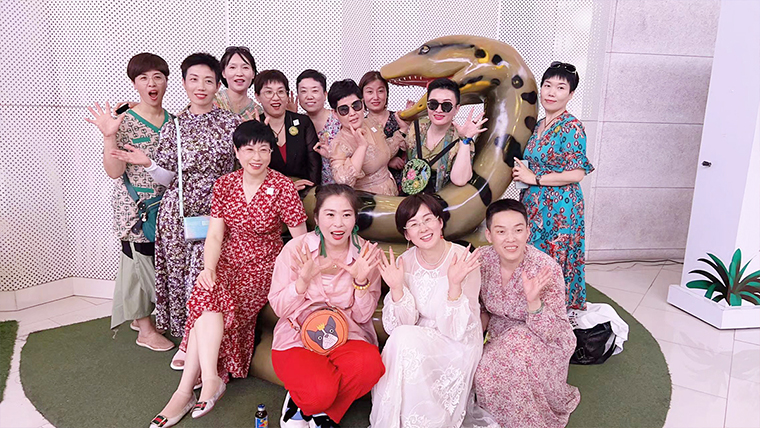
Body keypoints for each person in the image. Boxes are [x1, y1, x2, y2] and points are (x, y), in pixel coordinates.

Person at [149, 121, 307, 427]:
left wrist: (298, 278)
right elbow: (215, 236)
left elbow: (300, 240)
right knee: (206, 288)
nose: (256, 157)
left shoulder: (282, 186)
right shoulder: (225, 184)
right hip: (227, 259)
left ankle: (185, 392)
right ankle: (208, 380)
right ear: (236, 151)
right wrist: (209, 268)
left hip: (263, 265)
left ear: (271, 152)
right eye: (249, 149)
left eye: (264, 150)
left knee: (209, 300)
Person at [370, 194, 496, 428]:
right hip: (417, 336)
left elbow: (457, 329)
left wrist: (455, 286)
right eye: (414, 224)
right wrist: (396, 288)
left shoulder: (462, 259)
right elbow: (398, 326)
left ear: (440, 222)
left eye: (428, 219)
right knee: (401, 339)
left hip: (458, 341)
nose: (423, 228)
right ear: (407, 234)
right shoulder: (405, 261)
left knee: (404, 340)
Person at [152, 53, 242, 367]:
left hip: (217, 210)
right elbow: (166, 176)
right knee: (180, 276)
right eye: (194, 79)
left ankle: (203, 338)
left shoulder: (231, 123)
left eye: (208, 80)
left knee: (207, 275)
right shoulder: (173, 126)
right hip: (178, 211)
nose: (200, 87)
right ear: (184, 83)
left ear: (218, 85)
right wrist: (146, 164)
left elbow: (242, 167)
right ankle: (186, 340)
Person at [269, 184, 385, 428]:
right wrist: (302, 282)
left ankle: (321, 412)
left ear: (355, 218)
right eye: (330, 214)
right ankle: (305, 399)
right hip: (297, 338)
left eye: (346, 215)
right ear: (316, 217)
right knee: (319, 392)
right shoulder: (296, 249)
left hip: (346, 337)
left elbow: (363, 316)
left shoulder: (365, 255)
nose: (338, 224)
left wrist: (361, 281)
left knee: (371, 367)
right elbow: (279, 308)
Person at [84, 53, 174, 352]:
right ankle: (145, 329)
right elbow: (114, 171)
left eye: (157, 77)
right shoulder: (124, 120)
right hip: (135, 207)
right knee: (137, 263)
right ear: (134, 83)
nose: (152, 83)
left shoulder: (173, 122)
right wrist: (109, 136)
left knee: (158, 261)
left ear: (166, 81)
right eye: (143, 78)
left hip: (166, 206)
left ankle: (141, 316)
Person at [474, 199, 580, 427]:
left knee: (500, 366)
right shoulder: (482, 260)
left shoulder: (545, 268)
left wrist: (534, 302)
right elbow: (480, 307)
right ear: (489, 235)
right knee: (479, 367)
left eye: (518, 230)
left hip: (544, 337)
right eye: (501, 231)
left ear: (528, 232)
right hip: (499, 335)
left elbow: (554, 331)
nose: (510, 239)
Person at [512, 61, 594, 310]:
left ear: (570, 94)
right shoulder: (538, 125)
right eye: (547, 85)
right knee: (532, 255)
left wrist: (534, 179)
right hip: (534, 203)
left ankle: (556, 313)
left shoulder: (572, 126)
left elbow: (577, 173)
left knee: (554, 258)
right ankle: (533, 307)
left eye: (560, 88)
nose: (551, 92)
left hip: (561, 206)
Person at [403, 78, 487, 195]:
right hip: (410, 198)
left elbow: (460, 180)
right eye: (433, 104)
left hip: (441, 202)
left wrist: (465, 140)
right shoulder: (416, 127)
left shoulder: (462, 140)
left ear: (456, 109)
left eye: (446, 105)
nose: (438, 110)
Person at [328, 79, 403, 196]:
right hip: (368, 202)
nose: (352, 113)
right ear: (335, 114)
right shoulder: (339, 143)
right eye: (344, 110)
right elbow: (344, 182)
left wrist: (402, 132)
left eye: (356, 105)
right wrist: (361, 147)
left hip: (392, 194)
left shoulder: (371, 123)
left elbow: (384, 150)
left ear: (362, 104)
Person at [254, 69, 321, 190]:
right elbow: (253, 170)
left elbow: (314, 164)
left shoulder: (303, 122)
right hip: (268, 190)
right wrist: (286, 188)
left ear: (287, 95)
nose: (276, 97)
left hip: (304, 188)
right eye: (269, 92)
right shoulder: (255, 126)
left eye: (281, 92)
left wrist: (310, 188)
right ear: (257, 97)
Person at [359, 71, 411, 191]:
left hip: (404, 182)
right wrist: (387, 162)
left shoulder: (399, 118)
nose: (376, 97)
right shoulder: (361, 125)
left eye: (380, 91)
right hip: (373, 187)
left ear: (387, 93)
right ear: (362, 96)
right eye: (370, 92)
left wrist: (411, 117)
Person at [296, 69, 341, 185]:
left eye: (315, 91)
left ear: (325, 95)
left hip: (338, 187)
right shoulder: (297, 123)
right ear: (298, 96)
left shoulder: (339, 120)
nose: (309, 96)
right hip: (307, 188)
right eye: (303, 91)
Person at [214, 46, 262, 120]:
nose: (239, 73)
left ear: (253, 73)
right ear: (223, 73)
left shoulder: (258, 112)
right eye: (232, 67)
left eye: (245, 67)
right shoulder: (210, 103)